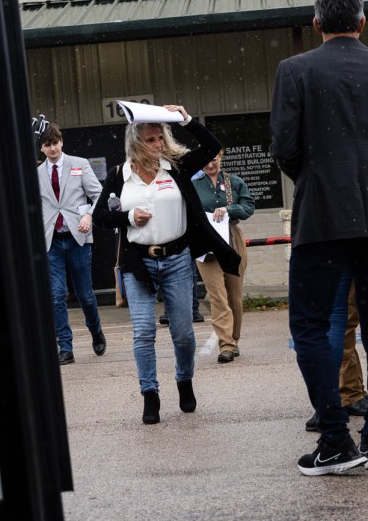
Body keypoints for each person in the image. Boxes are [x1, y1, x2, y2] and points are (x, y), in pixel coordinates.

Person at [270, 0, 368, 475]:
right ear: (363, 22)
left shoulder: (295, 70)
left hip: (322, 215)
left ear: (316, 24)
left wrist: (319, 178)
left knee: (311, 324)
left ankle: (335, 439)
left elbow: (284, 147)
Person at [93, 106, 240, 424]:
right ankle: (150, 394)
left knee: (184, 334)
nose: (158, 143)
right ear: (135, 142)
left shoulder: (176, 167)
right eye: (150, 139)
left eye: (161, 137)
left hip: (176, 260)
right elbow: (100, 216)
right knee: (144, 332)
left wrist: (185, 120)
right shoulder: (120, 175)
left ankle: (184, 380)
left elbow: (212, 147)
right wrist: (128, 217)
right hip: (139, 263)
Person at [39, 123, 108, 365]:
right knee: (57, 295)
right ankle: (65, 347)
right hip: (52, 241)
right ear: (41, 147)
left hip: (78, 238)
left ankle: (96, 331)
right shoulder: (36, 174)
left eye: (55, 143)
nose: (52, 148)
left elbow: (99, 193)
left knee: (85, 296)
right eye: (47, 145)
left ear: (61, 142)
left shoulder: (79, 164)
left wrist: (88, 215)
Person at [192, 150, 254, 362]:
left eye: (214, 159)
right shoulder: (193, 184)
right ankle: (225, 345)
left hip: (231, 238)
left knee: (234, 296)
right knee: (217, 295)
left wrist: (229, 209)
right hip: (205, 242)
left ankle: (234, 339)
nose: (210, 165)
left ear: (221, 157)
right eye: (206, 160)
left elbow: (248, 207)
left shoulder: (233, 182)